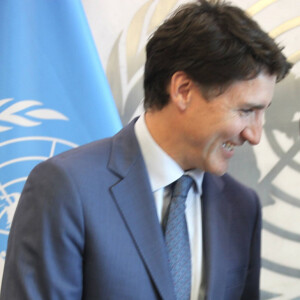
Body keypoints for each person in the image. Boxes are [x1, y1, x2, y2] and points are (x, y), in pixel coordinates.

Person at [0, 0, 291, 299]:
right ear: (183, 90)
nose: (255, 135)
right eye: (246, 111)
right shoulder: (65, 188)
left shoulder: (242, 207)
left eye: (262, 112)